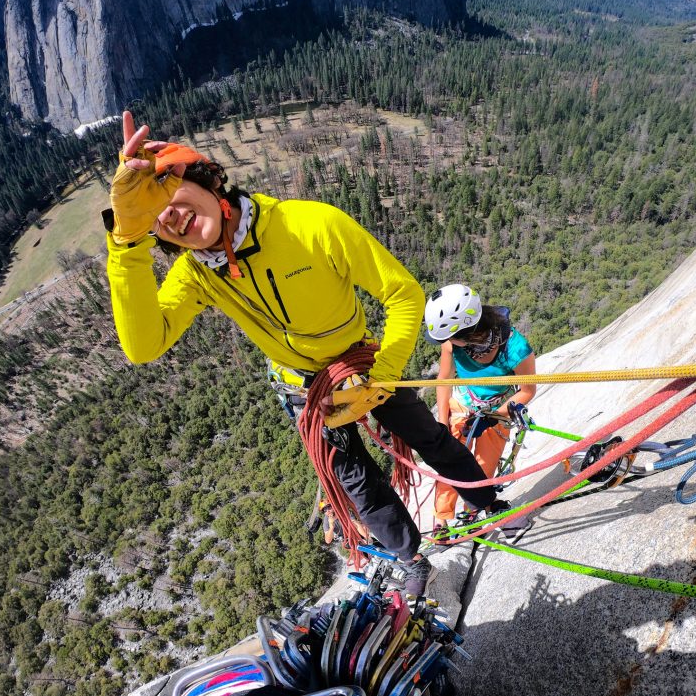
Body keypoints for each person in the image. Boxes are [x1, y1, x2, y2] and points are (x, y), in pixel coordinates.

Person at [104, 111, 513, 596]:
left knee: (431, 438)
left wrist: (382, 375)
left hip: (364, 364)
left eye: (169, 197)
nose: (169, 216)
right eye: (154, 218)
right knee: (358, 480)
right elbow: (144, 345)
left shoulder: (309, 225)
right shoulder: (197, 274)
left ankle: (490, 506)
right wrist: (125, 243)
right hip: (306, 388)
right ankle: (410, 558)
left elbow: (402, 293)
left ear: (205, 180)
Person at [424, 284, 536, 542]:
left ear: (469, 333)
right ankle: (441, 519)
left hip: (496, 411)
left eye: (450, 338)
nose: (446, 343)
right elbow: (444, 380)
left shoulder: (515, 349)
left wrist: (494, 415)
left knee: (484, 466)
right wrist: (443, 424)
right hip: (461, 404)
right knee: (448, 462)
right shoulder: (453, 345)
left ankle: (471, 512)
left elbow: (527, 390)